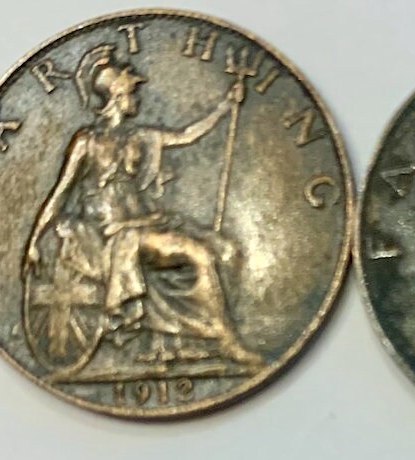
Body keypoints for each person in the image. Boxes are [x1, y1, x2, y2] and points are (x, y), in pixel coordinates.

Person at [22, 44, 261, 367]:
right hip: (115, 235)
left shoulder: (141, 136)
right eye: (133, 92)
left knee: (225, 249)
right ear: (117, 95)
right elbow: (61, 192)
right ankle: (227, 342)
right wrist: (34, 241)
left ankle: (190, 339)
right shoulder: (87, 142)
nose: (138, 98)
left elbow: (186, 135)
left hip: (147, 223)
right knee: (201, 256)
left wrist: (225, 106)